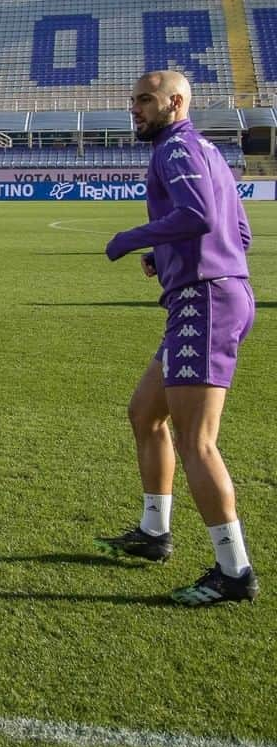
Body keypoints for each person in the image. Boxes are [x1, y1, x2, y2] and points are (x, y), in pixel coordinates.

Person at [97, 70, 258, 606]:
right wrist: (162, 255)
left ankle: (234, 571)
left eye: (145, 100)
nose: (135, 110)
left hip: (204, 302)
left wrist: (131, 238)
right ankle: (154, 533)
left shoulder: (174, 150)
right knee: (146, 413)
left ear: (177, 102)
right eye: (133, 100)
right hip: (205, 296)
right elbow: (239, 233)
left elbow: (199, 215)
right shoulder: (206, 151)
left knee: (197, 441)